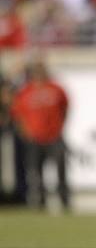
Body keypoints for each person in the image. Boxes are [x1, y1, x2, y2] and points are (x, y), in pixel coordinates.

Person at [10, 58, 70, 210]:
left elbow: (65, 107)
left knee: (61, 169)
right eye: (36, 70)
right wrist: (26, 133)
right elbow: (17, 115)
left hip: (54, 137)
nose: (39, 73)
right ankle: (39, 202)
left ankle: (64, 200)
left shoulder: (56, 89)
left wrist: (60, 127)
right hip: (34, 139)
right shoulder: (25, 91)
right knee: (35, 173)